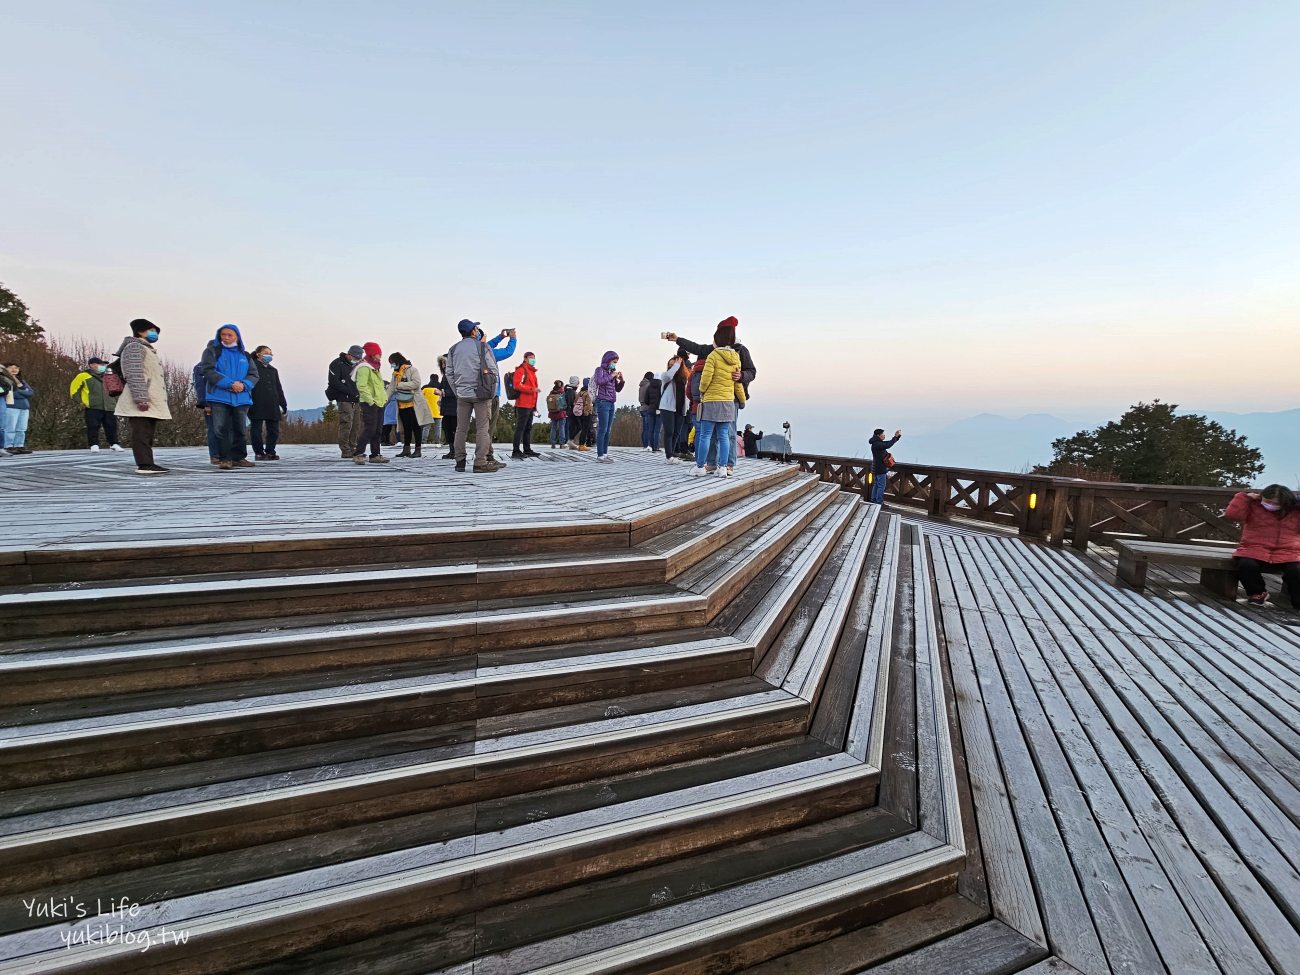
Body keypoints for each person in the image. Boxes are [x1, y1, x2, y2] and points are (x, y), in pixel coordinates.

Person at [1225, 485, 1300, 608]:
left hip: (1289, 551)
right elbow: (1232, 515)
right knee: (1246, 565)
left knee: (1296, 571)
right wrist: (1243, 497)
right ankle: (1257, 593)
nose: (1269, 504)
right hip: (1254, 548)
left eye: (1274, 503)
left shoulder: (1295, 511)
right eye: (1266, 501)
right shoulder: (1253, 505)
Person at [114, 319, 172, 475]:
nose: (154, 334)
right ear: (140, 331)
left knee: (147, 432)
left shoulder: (146, 348)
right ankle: (144, 464)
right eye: (151, 330)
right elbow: (134, 374)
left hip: (150, 398)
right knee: (141, 432)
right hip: (141, 398)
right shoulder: (134, 347)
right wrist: (141, 398)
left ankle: (148, 462)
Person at [445, 319, 503, 473]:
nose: (478, 331)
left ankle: (460, 462)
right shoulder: (482, 347)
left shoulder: (453, 349)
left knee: (461, 429)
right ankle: (480, 462)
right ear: (472, 331)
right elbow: (493, 370)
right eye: (476, 328)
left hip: (462, 394)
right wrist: (490, 388)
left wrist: (457, 390)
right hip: (481, 393)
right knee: (482, 428)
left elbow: (449, 373)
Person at [200, 324, 259, 471]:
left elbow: (254, 375)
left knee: (240, 428)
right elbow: (208, 371)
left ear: (237, 337)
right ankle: (225, 458)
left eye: (230, 335)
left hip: (241, 397)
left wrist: (244, 385)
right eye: (223, 334)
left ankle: (239, 457)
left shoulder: (244, 355)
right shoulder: (212, 351)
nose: (226, 337)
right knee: (220, 428)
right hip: (219, 396)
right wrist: (230, 384)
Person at [691, 323, 746, 477]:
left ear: (717, 340)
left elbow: (706, 379)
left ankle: (700, 467)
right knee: (724, 436)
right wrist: (741, 400)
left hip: (711, 401)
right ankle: (723, 468)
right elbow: (737, 383)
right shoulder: (736, 358)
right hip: (728, 403)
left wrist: (702, 390)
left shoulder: (713, 356)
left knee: (705, 435)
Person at [663, 315, 756, 394]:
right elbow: (696, 348)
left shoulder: (741, 350)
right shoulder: (712, 349)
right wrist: (678, 339)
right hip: (712, 395)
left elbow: (751, 372)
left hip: (732, 397)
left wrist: (741, 375)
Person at [70, 357, 124, 452]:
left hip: (110, 406)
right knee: (93, 426)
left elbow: (115, 390)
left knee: (112, 426)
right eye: (100, 364)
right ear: (91, 365)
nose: (102, 366)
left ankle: (114, 443)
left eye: (103, 364)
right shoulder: (83, 376)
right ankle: (94, 444)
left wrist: (117, 402)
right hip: (92, 406)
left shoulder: (109, 375)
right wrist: (80, 402)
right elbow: (74, 390)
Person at [388, 352, 434, 458]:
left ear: (397, 361)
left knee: (416, 427)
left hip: (414, 403)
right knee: (406, 427)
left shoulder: (412, 370)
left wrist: (400, 385)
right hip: (401, 404)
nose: (392, 365)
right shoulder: (395, 374)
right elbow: (391, 388)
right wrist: (384, 401)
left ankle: (418, 449)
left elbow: (416, 383)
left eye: (392, 363)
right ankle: (406, 449)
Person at [483, 327, 518, 463]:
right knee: (489, 427)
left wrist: (500, 337)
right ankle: (486, 456)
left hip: (477, 392)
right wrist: (513, 338)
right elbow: (508, 352)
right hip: (492, 394)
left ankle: (486, 454)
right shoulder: (488, 354)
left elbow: (486, 346)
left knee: (483, 426)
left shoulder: (473, 351)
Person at [352, 342, 390, 465]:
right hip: (369, 403)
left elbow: (378, 386)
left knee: (378, 429)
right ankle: (358, 453)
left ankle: (375, 454)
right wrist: (370, 401)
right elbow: (361, 386)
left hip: (379, 402)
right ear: (372, 354)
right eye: (379, 354)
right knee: (370, 429)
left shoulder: (375, 367)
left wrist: (383, 399)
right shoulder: (364, 367)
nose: (380, 356)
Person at [248, 345, 287, 460]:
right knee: (256, 429)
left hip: (272, 403)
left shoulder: (273, 370)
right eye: (266, 353)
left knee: (274, 430)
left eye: (270, 353)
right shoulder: (251, 368)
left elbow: (278, 388)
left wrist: (283, 403)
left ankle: (270, 451)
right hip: (256, 402)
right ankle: (259, 452)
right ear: (258, 354)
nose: (269, 355)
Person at [327, 346, 363, 460]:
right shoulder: (336, 364)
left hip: (356, 400)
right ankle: (345, 450)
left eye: (359, 358)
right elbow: (334, 382)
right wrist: (349, 391)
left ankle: (353, 448)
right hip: (344, 399)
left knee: (356, 426)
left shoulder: (357, 365)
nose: (357, 360)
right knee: (346, 424)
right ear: (349, 354)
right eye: (355, 357)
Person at [590, 352, 624, 463]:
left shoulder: (611, 372)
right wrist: (611, 376)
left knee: (608, 430)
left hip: (611, 402)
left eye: (616, 362)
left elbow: (617, 389)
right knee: (602, 429)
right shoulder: (599, 370)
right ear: (608, 360)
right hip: (602, 401)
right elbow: (599, 381)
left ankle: (605, 454)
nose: (615, 364)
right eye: (614, 362)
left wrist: (621, 380)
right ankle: (600, 455)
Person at [657, 354, 687, 464]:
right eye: (670, 365)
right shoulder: (665, 376)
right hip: (667, 407)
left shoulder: (684, 378)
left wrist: (687, 408)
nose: (671, 367)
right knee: (669, 432)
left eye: (673, 365)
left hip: (680, 408)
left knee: (676, 433)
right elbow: (669, 376)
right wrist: (676, 365)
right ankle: (668, 456)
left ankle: (672, 454)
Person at [511, 351, 541, 459]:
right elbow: (517, 385)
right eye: (531, 358)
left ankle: (527, 449)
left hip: (530, 404)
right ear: (525, 358)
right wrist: (532, 389)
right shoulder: (521, 370)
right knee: (520, 428)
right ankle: (516, 450)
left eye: (534, 358)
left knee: (528, 428)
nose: (533, 360)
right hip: (523, 404)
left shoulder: (532, 372)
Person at [191, 360, 219, 464]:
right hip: (211, 402)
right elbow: (200, 386)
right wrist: (205, 403)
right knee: (213, 429)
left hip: (226, 401)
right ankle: (215, 455)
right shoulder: (201, 366)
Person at [2, 365, 34, 453]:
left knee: (22, 428)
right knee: (10, 427)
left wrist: (18, 392)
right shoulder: (3, 379)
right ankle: (8, 446)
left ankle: (19, 446)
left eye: (16, 368)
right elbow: (8, 393)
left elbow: (30, 393)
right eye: (11, 367)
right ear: (5, 369)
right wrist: (23, 393)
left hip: (24, 407)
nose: (14, 369)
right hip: (11, 407)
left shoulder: (21, 381)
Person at [868, 428, 902, 504]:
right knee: (881, 486)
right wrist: (895, 437)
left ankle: (873, 500)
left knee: (876, 484)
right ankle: (879, 502)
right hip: (880, 468)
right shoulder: (877, 444)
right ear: (878, 435)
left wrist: (896, 438)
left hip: (876, 467)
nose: (884, 435)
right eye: (883, 434)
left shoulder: (876, 443)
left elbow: (887, 443)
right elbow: (888, 445)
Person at [438, 355, 457, 459]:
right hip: (446, 406)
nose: (443, 365)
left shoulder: (455, 374)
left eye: (445, 363)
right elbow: (441, 387)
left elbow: (456, 390)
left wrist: (443, 392)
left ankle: (455, 451)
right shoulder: (445, 375)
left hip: (454, 406)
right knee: (446, 427)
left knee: (454, 428)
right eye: (442, 364)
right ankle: (451, 450)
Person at [638, 371, 662, 452]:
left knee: (647, 429)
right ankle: (655, 446)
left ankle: (647, 445)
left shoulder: (643, 385)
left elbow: (646, 399)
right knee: (657, 430)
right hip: (656, 409)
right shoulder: (660, 386)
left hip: (646, 408)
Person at [574, 378, 596, 451]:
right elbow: (588, 404)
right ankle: (582, 445)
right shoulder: (588, 392)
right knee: (585, 429)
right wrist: (589, 412)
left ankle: (582, 444)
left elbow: (575, 402)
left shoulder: (580, 392)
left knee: (583, 429)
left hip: (579, 413)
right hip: (586, 413)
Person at [545, 380, 568, 449]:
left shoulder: (551, 392)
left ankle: (552, 443)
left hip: (552, 412)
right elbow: (564, 403)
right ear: (561, 385)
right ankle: (562, 444)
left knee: (553, 427)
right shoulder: (562, 392)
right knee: (561, 427)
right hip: (561, 412)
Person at [421, 375, 442, 445]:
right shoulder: (440, 389)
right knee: (438, 428)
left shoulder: (425, 388)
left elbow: (420, 398)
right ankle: (437, 442)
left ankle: (423, 442)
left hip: (427, 411)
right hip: (438, 411)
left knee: (426, 427)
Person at [0, 367, 15, 457]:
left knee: (1, 426)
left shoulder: (2, 377)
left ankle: (1, 448)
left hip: (1, 399)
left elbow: (8, 388)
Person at [563, 375, 580, 448]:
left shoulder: (569, 390)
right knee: (578, 426)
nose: (578, 384)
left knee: (573, 426)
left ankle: (571, 441)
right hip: (572, 412)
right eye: (578, 382)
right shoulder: (571, 391)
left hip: (571, 412)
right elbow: (571, 402)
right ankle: (570, 440)